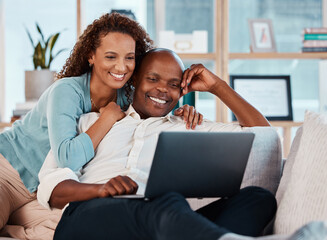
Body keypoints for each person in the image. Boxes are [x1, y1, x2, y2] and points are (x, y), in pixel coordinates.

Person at [37, 49, 327, 240]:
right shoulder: (92, 122)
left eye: (173, 84)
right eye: (152, 79)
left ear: (183, 90)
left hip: (162, 224)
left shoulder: (188, 124)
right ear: (133, 82)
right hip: (88, 218)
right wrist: (100, 190)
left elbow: (264, 136)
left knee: (257, 199)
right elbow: (52, 185)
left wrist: (218, 87)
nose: (162, 90)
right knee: (169, 202)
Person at [0, 14, 198, 240]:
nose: (121, 66)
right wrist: (107, 118)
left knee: (72, 228)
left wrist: (182, 113)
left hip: (41, 189)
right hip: (9, 172)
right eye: (111, 56)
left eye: (129, 58)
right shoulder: (66, 91)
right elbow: (67, 159)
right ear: (91, 56)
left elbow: (150, 112)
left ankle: (12, 228)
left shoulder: (126, 94)